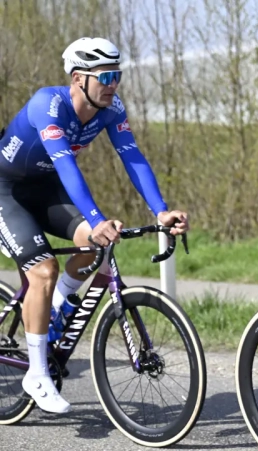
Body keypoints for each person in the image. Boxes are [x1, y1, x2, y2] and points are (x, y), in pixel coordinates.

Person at [0, 37, 189, 414]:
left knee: (93, 245)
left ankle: (56, 301)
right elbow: (68, 167)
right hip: (6, 191)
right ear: (77, 79)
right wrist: (98, 218)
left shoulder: (110, 108)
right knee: (43, 270)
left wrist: (161, 211)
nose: (113, 84)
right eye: (106, 77)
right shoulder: (47, 105)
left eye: (118, 75)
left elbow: (132, 157)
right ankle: (36, 374)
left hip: (45, 189)